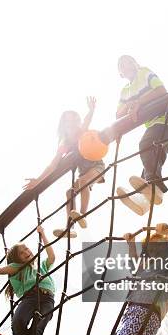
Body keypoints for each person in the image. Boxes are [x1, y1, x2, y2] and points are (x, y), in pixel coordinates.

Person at [24, 97, 105, 238]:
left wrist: (91, 110)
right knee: (70, 193)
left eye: (75, 120)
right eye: (69, 122)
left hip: (97, 166)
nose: (73, 124)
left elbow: (87, 120)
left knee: (83, 181)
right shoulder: (65, 144)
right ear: (64, 126)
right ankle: (69, 228)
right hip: (83, 172)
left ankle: (83, 215)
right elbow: (53, 164)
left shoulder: (81, 132)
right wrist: (38, 180)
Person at [116, 55, 168, 215]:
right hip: (154, 123)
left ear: (136, 63)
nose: (127, 66)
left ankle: (155, 186)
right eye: (122, 65)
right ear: (120, 73)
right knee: (152, 157)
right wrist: (130, 104)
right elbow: (118, 114)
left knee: (146, 146)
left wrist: (139, 102)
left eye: (129, 62)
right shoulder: (125, 91)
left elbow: (161, 90)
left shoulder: (144, 73)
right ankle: (145, 201)